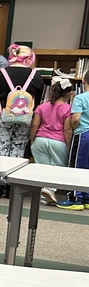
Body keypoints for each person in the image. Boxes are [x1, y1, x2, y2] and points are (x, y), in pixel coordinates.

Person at [0, 43, 43, 159]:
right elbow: (37, 99)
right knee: (18, 150)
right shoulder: (35, 75)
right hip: (24, 116)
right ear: (28, 58)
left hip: (0, 115)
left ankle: (1, 176)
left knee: (0, 150)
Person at [30, 77, 73, 205]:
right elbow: (67, 129)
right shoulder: (67, 109)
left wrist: (32, 139)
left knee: (42, 168)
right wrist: (68, 145)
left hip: (40, 139)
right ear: (69, 94)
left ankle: (45, 193)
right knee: (57, 168)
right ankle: (49, 189)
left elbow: (34, 125)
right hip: (58, 141)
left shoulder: (42, 106)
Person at [57, 73, 89, 210]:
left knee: (77, 166)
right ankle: (87, 197)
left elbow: (76, 119)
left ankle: (75, 198)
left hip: (83, 134)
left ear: (83, 81)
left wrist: (75, 127)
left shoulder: (80, 98)